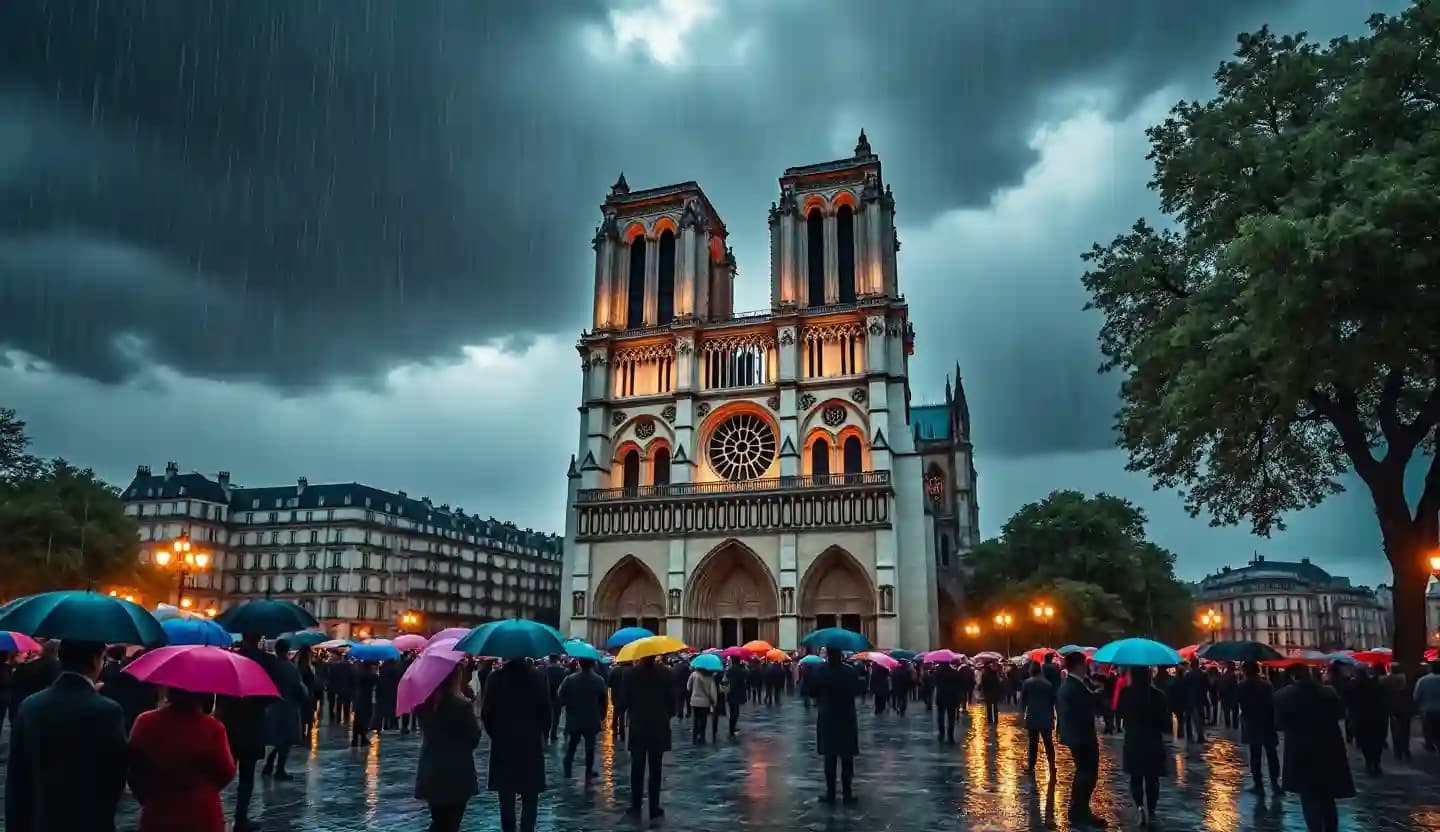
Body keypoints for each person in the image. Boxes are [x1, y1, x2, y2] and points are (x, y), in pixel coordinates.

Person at [5, 639, 126, 832]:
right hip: (88, 816)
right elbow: (115, 775)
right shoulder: (107, 710)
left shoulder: (31, 705)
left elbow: (17, 773)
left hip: (38, 817)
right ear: (96, 660)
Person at [128, 687, 236, 832]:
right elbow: (227, 772)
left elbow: (134, 770)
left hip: (158, 810)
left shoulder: (145, 722)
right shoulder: (212, 728)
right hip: (202, 815)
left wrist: (148, 798)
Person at [1275, 664, 1354, 832]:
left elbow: (1279, 724)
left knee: (1308, 796)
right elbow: (1341, 713)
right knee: (1327, 796)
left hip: (1301, 750)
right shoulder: (1329, 692)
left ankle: (1315, 828)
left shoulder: (1284, 695)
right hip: (1328, 748)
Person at [217, 633, 278, 832]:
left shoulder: (228, 658)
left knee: (223, 771)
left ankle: (214, 812)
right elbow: (273, 694)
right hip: (252, 723)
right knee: (247, 775)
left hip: (229, 723)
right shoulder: (267, 661)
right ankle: (241, 817)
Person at [481, 659, 549, 832]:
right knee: (530, 798)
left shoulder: (495, 678)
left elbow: (486, 714)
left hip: (503, 744)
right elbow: (546, 712)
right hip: (530, 744)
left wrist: (495, 735)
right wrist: (543, 734)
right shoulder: (538, 677)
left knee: (506, 798)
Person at [416, 663, 482, 832]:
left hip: (431, 769)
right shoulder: (462, 706)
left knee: (439, 820)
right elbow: (474, 737)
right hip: (456, 771)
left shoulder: (423, 704)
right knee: (451, 823)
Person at [805, 646, 862, 804]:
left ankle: (830, 793)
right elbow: (858, 690)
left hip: (828, 716)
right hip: (846, 717)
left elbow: (811, 692)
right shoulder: (850, 671)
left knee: (829, 758)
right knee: (847, 758)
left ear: (828, 655)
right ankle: (847, 793)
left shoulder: (820, 671)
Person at [1056, 650, 1105, 829]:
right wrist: (1097, 695)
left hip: (1078, 735)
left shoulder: (1074, 684)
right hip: (1081, 736)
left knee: (1084, 773)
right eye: (1084, 663)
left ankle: (1079, 809)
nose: (1087, 666)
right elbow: (1082, 709)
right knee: (1087, 773)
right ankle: (1079, 810)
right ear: (1078, 665)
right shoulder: (1072, 686)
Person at [624, 655, 674, 821]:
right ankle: (654, 807)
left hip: (638, 727)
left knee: (636, 768)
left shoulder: (631, 674)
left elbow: (622, 702)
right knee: (656, 769)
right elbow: (672, 704)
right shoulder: (666, 673)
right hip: (658, 727)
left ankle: (635, 805)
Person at [1117, 666, 1168, 826]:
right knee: (1152, 779)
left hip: (1133, 741)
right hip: (1153, 742)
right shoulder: (1159, 695)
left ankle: (1140, 807)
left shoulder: (1126, 693)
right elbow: (1166, 724)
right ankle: (1151, 811)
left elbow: (1119, 714)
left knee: (1135, 777)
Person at [262, 638, 309, 780]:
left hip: (273, 706)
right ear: (287, 650)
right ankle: (279, 769)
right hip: (288, 706)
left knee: (278, 738)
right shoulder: (290, 667)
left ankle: (270, 763)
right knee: (286, 739)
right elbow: (297, 687)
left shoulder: (270, 666)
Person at [557, 658, 607, 778]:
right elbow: (604, 700)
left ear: (579, 664)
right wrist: (602, 715)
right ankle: (588, 771)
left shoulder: (570, 679)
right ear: (592, 664)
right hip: (591, 718)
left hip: (574, 717)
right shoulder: (598, 680)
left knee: (572, 745)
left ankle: (567, 769)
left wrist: (567, 704)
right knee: (590, 747)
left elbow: (560, 695)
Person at [1236, 660, 1281, 795]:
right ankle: (1275, 783)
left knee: (1255, 755)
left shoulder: (1242, 685)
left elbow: (1237, 701)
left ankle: (1258, 784)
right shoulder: (1266, 684)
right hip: (1267, 722)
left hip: (1251, 723)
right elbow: (1272, 703)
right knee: (1271, 754)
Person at [1348, 663, 1388, 774]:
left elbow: (1350, 704)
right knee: (1377, 741)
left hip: (1361, 717)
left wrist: (1351, 718)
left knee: (1365, 741)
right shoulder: (1377, 685)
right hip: (1377, 717)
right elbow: (1383, 701)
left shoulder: (1353, 686)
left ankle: (1369, 762)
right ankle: (1376, 762)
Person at [1020, 662, 1057, 775]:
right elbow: (1053, 701)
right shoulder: (1048, 684)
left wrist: (1023, 713)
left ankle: (1031, 766)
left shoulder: (1027, 683)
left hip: (1032, 717)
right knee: (1048, 743)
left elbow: (1023, 701)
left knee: (1033, 743)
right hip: (1046, 717)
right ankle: (1052, 766)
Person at [1379, 663, 1411, 761]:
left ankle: (1398, 751)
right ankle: (1405, 748)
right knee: (1405, 729)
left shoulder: (1384, 680)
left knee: (1395, 729)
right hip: (1405, 707)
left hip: (1392, 707)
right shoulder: (1406, 678)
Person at [686, 664, 720, 743]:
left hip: (694, 701)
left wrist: (692, 691)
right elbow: (712, 692)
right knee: (703, 719)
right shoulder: (710, 677)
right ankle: (702, 735)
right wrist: (714, 702)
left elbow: (688, 686)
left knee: (695, 718)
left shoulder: (694, 674)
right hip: (705, 702)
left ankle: (695, 735)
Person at [1414, 659, 1440, 752]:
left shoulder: (1423, 680)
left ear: (1430, 668)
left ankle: (1429, 744)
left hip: (1427, 710)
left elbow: (1416, 696)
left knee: (1428, 729)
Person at [934, 660, 963, 742]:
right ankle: (950, 734)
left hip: (941, 696)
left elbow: (935, 682)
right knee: (951, 717)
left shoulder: (938, 672)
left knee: (940, 716)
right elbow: (959, 685)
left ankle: (941, 732)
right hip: (952, 697)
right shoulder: (955, 672)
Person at [351, 661, 378, 746]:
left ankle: (355, 738)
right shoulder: (368, 674)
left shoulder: (358, 670)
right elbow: (373, 681)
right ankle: (362, 738)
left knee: (358, 719)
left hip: (358, 698)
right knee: (364, 719)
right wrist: (374, 674)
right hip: (365, 699)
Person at [544, 655, 568, 741]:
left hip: (547, 696)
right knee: (556, 716)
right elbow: (564, 684)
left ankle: (546, 735)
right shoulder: (562, 671)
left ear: (550, 660)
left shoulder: (544, 670)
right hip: (558, 696)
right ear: (557, 659)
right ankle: (553, 734)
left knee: (546, 716)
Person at [724, 657, 748, 737]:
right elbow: (747, 675)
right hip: (738, 693)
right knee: (736, 712)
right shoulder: (741, 670)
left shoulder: (730, 670)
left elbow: (726, 679)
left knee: (732, 711)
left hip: (731, 693)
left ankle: (732, 728)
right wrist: (744, 666)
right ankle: (732, 729)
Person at [376, 658, 401, 731]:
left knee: (385, 709)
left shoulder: (382, 668)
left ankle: (386, 725)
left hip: (384, 691)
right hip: (393, 691)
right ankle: (394, 725)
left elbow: (379, 681)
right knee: (393, 708)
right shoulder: (396, 668)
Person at [606, 661, 627, 741]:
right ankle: (622, 733)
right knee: (623, 715)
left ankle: (614, 731)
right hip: (625, 696)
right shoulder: (630, 670)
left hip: (616, 696)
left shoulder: (614, 670)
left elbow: (609, 683)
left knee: (615, 714)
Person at [979, 661, 1002, 726]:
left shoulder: (984, 673)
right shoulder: (994, 673)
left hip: (987, 692)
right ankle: (996, 719)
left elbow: (983, 684)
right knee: (995, 706)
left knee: (989, 707)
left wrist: (983, 692)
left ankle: (990, 720)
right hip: (994, 692)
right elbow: (997, 682)